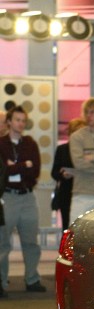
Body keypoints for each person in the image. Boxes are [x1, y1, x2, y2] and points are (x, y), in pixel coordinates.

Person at [0, 106, 46, 293]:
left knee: (31, 241)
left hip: (27, 196)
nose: (20, 123)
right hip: (7, 197)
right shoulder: (1, 144)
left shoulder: (30, 143)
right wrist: (22, 165)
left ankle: (32, 279)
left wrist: (14, 166)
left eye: (23, 120)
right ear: (9, 121)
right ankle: (1, 282)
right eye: (17, 119)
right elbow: (3, 171)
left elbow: (34, 172)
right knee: (3, 242)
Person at [50, 117, 86, 230]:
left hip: (83, 190)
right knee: (67, 225)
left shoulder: (86, 150)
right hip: (66, 191)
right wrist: (63, 174)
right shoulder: (62, 149)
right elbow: (54, 172)